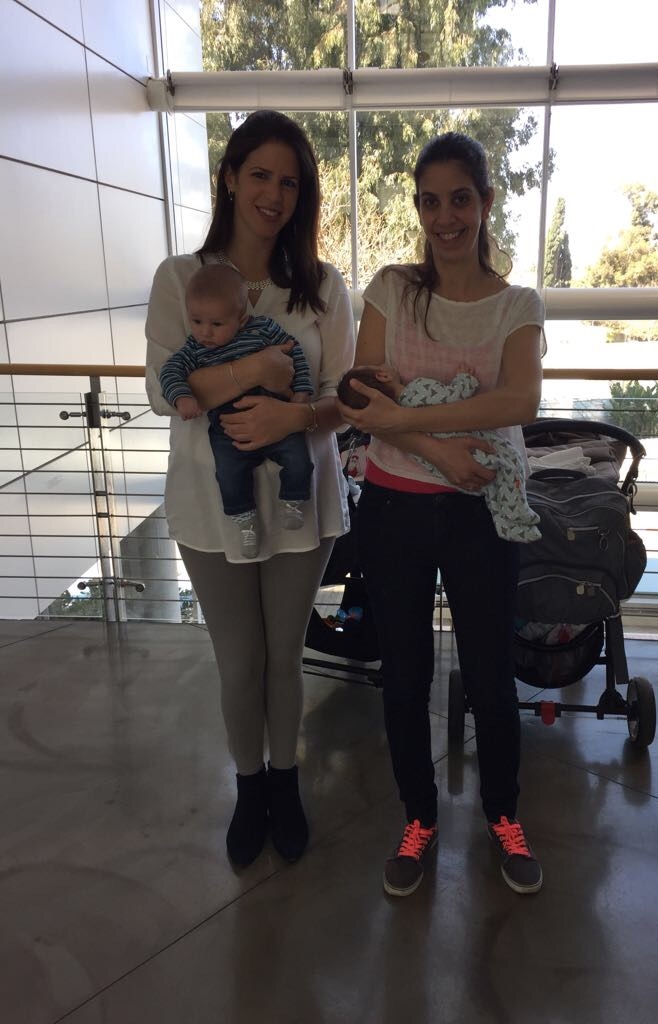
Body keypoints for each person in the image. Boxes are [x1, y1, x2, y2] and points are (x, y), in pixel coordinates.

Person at [337, 131, 546, 898]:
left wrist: (409, 420)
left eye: (460, 199)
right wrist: (441, 452)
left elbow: (520, 400)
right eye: (430, 201)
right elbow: (360, 400)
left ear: (486, 202)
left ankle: (503, 816)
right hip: (394, 508)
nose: (445, 217)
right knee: (403, 677)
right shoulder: (392, 289)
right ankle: (418, 819)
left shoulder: (518, 305)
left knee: (491, 678)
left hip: (481, 514)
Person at [145, 109, 355, 870]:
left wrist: (292, 414)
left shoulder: (322, 286)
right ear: (230, 178)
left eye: (289, 182)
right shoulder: (180, 279)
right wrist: (257, 371)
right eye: (260, 174)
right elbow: (164, 390)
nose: (273, 194)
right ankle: (249, 785)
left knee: (284, 657)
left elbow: (343, 397)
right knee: (239, 661)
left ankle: (286, 781)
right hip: (211, 505)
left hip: (302, 500)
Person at [159, 263, 315, 557]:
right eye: (196, 321)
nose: (205, 332)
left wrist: (301, 393)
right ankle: (245, 522)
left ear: (241, 319)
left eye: (217, 324)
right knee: (229, 474)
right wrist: (182, 398)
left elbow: (295, 353)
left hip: (279, 413)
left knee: (299, 459)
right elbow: (169, 372)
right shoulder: (195, 348)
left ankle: (293, 500)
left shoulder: (264, 329)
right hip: (227, 424)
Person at [337, 362, 541, 543]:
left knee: (493, 489)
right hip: (472, 446)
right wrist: (465, 379)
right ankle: (517, 519)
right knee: (510, 464)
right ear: (383, 375)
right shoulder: (417, 389)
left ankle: (505, 519)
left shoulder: (391, 424)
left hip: (441, 470)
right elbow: (453, 396)